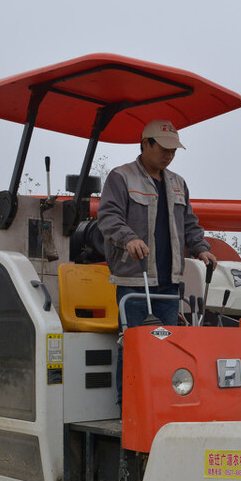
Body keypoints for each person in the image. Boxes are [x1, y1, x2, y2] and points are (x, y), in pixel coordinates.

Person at [97, 119, 217, 403]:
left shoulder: (178, 183)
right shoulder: (121, 177)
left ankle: (164, 404)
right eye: (163, 148)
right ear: (145, 144)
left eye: (173, 150)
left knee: (169, 347)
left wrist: (200, 247)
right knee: (135, 345)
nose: (169, 155)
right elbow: (108, 217)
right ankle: (129, 408)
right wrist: (129, 238)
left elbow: (189, 223)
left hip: (169, 282)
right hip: (135, 280)